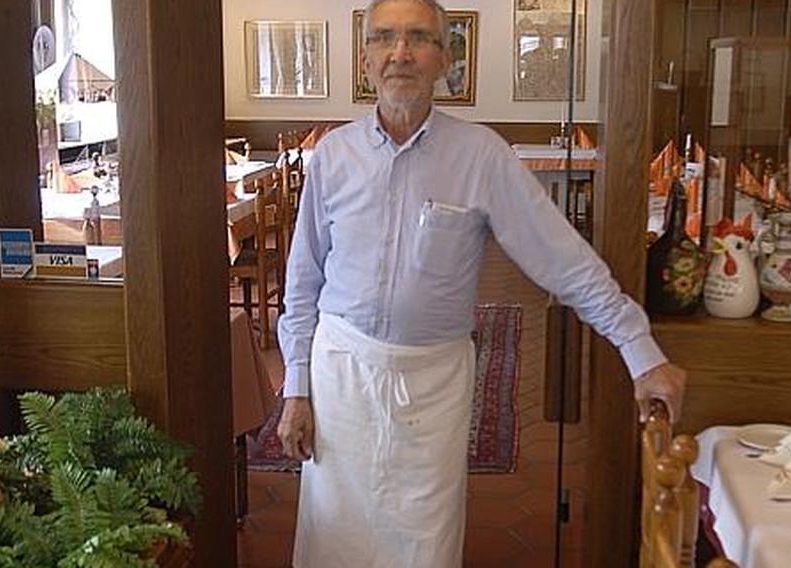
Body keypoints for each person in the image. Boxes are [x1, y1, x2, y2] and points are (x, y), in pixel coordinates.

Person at [276, 0, 686, 566]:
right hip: (340, 373)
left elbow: (561, 259)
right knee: (333, 536)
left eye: (419, 38)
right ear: (365, 57)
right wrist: (296, 387)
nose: (400, 53)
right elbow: (303, 283)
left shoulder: (481, 155)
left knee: (423, 543)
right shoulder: (332, 157)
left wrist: (640, 352)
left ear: (445, 57)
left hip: (434, 383)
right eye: (385, 38)